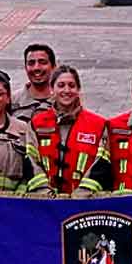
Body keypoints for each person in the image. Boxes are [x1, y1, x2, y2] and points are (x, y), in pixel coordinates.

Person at [29, 65, 110, 195]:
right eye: (61, 85)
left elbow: (101, 163)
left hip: (84, 203)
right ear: (51, 89)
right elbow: (30, 161)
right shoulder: (37, 124)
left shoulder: (98, 125)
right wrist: (44, 193)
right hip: (45, 202)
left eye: (71, 85)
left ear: (78, 89)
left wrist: (80, 195)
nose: (66, 90)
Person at [10, 43, 56, 123]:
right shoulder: (12, 101)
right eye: (31, 63)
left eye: (42, 62)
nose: (36, 68)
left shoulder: (63, 101)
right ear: (25, 67)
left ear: (53, 67)